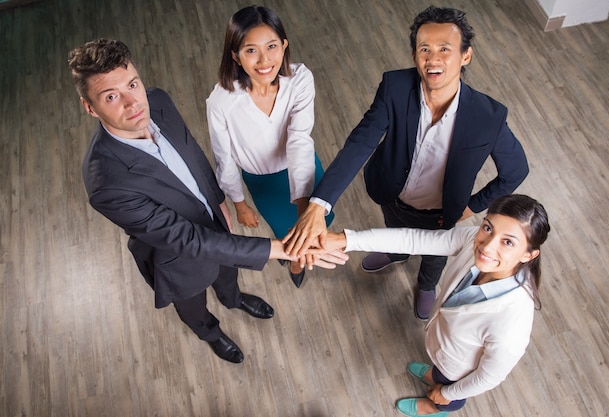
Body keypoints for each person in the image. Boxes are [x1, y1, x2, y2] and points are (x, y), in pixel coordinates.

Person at [68, 39, 346, 364]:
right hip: (179, 260)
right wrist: (283, 249)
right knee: (194, 308)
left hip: (217, 224)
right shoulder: (106, 183)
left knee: (228, 278)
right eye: (112, 96)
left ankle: (234, 299)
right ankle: (211, 333)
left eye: (133, 84)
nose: (133, 103)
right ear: (90, 107)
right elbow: (188, 240)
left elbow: (194, 157)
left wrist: (220, 203)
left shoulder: (156, 101)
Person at [284, 6, 529, 319]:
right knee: (395, 228)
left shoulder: (488, 116)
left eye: (445, 49)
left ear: (465, 56)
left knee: (434, 257)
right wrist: (318, 205)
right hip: (393, 193)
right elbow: (360, 143)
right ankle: (395, 252)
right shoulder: (394, 87)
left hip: (442, 213)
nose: (433, 59)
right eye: (424, 49)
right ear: (415, 55)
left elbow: (516, 171)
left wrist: (472, 206)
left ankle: (426, 285)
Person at [315, 194, 550, 417]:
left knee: (445, 392)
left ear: (528, 255)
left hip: (457, 372)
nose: (487, 246)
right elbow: (418, 240)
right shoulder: (474, 241)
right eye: (488, 228)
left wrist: (448, 393)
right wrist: (348, 239)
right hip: (442, 350)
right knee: (439, 373)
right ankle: (435, 375)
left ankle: (436, 408)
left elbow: (488, 378)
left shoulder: (512, 321)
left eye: (508, 242)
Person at [207, 5, 334, 288]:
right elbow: (223, 159)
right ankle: (295, 264)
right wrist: (239, 204)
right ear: (235, 56)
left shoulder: (300, 80)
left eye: (272, 46)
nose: (265, 60)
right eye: (251, 50)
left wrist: (305, 210)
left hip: (303, 166)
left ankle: (299, 259)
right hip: (263, 182)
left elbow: (300, 140)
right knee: (287, 233)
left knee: (316, 222)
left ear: (284, 45)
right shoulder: (221, 102)